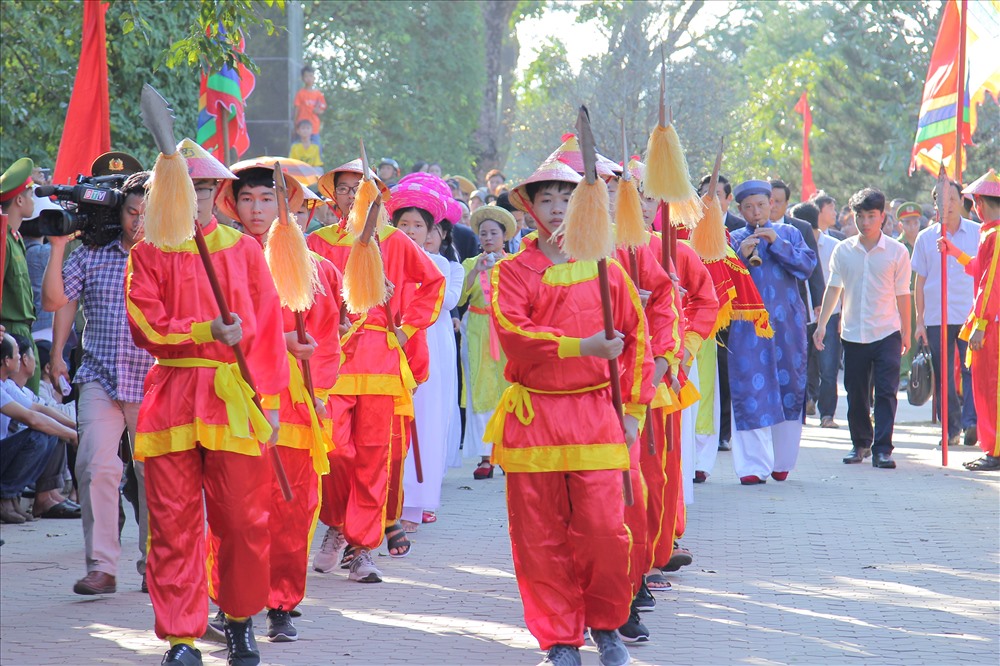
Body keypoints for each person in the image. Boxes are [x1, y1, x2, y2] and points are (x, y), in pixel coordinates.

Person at [126, 139, 287, 666]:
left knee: (243, 520)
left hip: (233, 398)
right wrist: (204, 330)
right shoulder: (146, 253)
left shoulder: (243, 251)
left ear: (216, 192)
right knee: (173, 523)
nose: (195, 198)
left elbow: (266, 332)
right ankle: (180, 637)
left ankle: (239, 620)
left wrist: (272, 403)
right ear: (165, 193)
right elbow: (145, 326)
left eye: (203, 188)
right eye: (185, 188)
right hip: (173, 395)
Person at [492, 158, 654, 666]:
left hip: (596, 414)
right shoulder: (512, 272)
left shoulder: (609, 267)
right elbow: (513, 335)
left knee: (606, 532)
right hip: (534, 419)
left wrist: (633, 409)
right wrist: (580, 345)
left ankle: (605, 624)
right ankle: (560, 639)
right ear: (529, 207)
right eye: (546, 199)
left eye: (567, 198)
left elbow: (638, 343)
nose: (557, 208)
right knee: (539, 536)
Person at [212, 161, 342, 642]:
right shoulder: (220, 256)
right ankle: (232, 602)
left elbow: (326, 338)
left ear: (287, 205)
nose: (257, 208)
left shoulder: (315, 267)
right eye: (247, 199)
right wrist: (278, 339)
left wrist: (320, 390)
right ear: (233, 203)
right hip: (236, 397)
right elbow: (213, 324)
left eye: (268, 199)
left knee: (292, 509)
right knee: (237, 508)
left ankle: (281, 602)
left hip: (294, 403)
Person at [308, 163, 445, 583]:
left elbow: (433, 283)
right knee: (335, 451)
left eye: (360, 188)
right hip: (334, 362)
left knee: (374, 456)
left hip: (382, 361)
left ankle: (363, 545)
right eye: (345, 189)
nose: (352, 196)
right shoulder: (318, 242)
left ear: (377, 196)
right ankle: (336, 522)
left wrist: (405, 330)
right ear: (334, 198)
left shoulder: (396, 241)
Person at [42, 170, 155, 595]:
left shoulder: (169, 255)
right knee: (94, 467)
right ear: (120, 212)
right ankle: (102, 567)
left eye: (147, 214)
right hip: (100, 375)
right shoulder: (92, 253)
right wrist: (57, 247)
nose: (138, 223)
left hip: (156, 381)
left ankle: (155, 565)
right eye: (131, 213)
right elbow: (56, 301)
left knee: (154, 476)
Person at [815, 188, 910, 469]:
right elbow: (833, 289)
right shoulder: (842, 251)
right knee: (855, 393)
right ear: (853, 216)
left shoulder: (897, 252)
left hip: (887, 332)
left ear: (883, 216)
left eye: (871, 216)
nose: (865, 222)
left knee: (885, 391)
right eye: (860, 216)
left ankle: (883, 449)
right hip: (853, 332)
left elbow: (903, 294)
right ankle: (860, 444)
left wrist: (906, 331)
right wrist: (822, 326)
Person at [729, 180, 816, 484]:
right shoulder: (733, 239)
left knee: (789, 389)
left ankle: (782, 461)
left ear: (773, 206)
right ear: (739, 210)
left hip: (787, 327)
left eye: (762, 206)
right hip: (747, 328)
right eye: (749, 208)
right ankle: (753, 466)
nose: (756, 212)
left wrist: (776, 243)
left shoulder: (790, 234)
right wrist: (741, 255)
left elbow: (807, 267)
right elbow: (723, 280)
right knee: (751, 391)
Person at [393, 192, 462, 532]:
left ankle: (418, 504)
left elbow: (447, 300)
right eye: (403, 224)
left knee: (427, 421)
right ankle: (391, 500)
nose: (410, 230)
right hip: (394, 342)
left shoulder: (441, 264)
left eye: (417, 225)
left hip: (430, 343)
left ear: (432, 230)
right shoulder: (386, 257)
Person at [938, 169, 1000, 470]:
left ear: (979, 203)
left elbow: (990, 283)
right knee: (983, 387)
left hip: (992, 324)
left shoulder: (996, 233)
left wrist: (981, 323)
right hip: (988, 321)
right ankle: (991, 447)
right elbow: (979, 269)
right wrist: (954, 253)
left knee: (991, 387)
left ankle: (995, 450)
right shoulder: (989, 232)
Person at [912, 180, 980, 447]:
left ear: (962, 201)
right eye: (942, 199)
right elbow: (919, 280)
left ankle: (971, 423)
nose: (948, 205)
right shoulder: (926, 237)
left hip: (969, 314)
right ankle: (950, 428)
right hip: (936, 316)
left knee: (971, 369)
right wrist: (919, 320)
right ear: (935, 204)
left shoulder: (977, 233)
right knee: (943, 374)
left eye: (953, 198)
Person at [460, 205, 516, 479]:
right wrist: (475, 271)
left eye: (494, 233)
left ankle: (507, 450)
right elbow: (458, 299)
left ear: (504, 236)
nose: (488, 238)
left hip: (505, 330)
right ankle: (485, 456)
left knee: (507, 388)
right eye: (484, 234)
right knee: (480, 390)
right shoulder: (470, 263)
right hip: (478, 330)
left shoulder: (514, 264)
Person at [1, 333, 78, 524]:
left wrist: (76, 428)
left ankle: (11, 498)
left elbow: (41, 409)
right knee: (39, 434)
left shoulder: (7, 386)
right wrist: (72, 435)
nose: (20, 358)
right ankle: (5, 497)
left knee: (50, 431)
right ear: (6, 360)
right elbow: (32, 419)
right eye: (17, 354)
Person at [792, 201, 841, 428]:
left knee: (828, 366)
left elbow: (842, 284)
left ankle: (827, 414)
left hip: (830, 314)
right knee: (801, 365)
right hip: (801, 313)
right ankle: (803, 407)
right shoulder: (790, 243)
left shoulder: (833, 246)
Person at [1, 157, 40, 393]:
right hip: (10, 334)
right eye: (30, 193)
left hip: (24, 332)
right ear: (18, 199)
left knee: (32, 401)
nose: (33, 199)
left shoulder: (16, 238)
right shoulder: (3, 240)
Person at [896, 202, 923, 385]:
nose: (912, 226)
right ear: (901, 225)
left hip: (921, 298)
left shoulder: (924, 243)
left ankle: (918, 372)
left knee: (918, 336)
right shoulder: (897, 246)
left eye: (915, 222)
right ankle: (903, 373)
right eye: (907, 223)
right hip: (903, 297)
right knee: (903, 333)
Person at [293, 64, 326, 146]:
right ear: (302, 78)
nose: (309, 79)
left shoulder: (318, 94)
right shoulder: (300, 93)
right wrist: (295, 124)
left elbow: (322, 109)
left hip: (313, 128)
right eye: (306, 76)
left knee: (316, 150)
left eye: (311, 76)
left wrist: (318, 110)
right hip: (301, 127)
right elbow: (296, 110)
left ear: (314, 78)